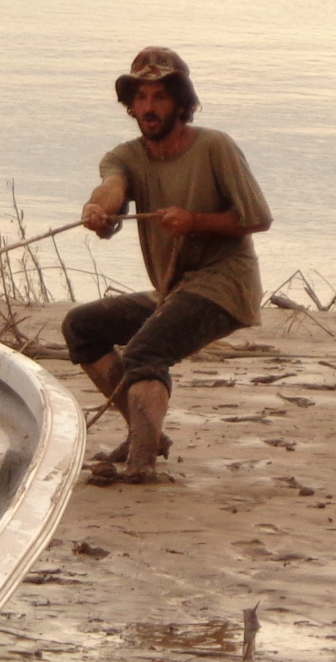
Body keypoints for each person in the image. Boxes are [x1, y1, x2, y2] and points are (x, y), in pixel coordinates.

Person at [67, 47, 274, 484]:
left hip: (225, 287)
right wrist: (96, 209)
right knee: (81, 327)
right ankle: (147, 434)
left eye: (159, 97)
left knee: (146, 350)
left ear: (181, 103)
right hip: (174, 290)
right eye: (141, 98)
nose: (149, 108)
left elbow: (258, 218)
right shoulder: (126, 155)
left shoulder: (215, 147)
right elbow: (112, 187)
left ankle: (141, 463)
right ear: (131, 106)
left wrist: (195, 221)